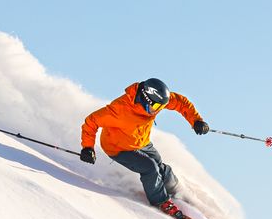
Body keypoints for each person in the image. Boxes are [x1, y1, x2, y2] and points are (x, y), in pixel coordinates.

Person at [80, 78, 209, 206]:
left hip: (141, 142)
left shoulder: (157, 101)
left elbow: (181, 103)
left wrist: (196, 120)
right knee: (150, 167)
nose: (159, 110)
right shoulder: (119, 110)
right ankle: (161, 202)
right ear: (146, 99)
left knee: (161, 167)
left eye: (162, 106)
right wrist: (88, 148)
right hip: (118, 147)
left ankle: (178, 192)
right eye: (157, 107)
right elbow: (91, 122)